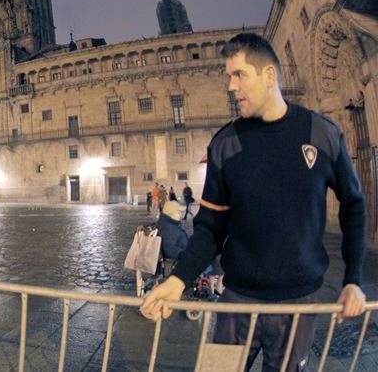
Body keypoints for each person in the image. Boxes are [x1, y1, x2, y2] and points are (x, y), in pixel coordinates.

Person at [142, 33, 366, 371]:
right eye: (229, 76)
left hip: (298, 306)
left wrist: (353, 280)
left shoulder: (322, 134)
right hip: (236, 302)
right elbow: (210, 228)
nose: (231, 86)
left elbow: (354, 205)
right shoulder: (226, 144)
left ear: (269, 76)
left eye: (239, 75)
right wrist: (178, 280)